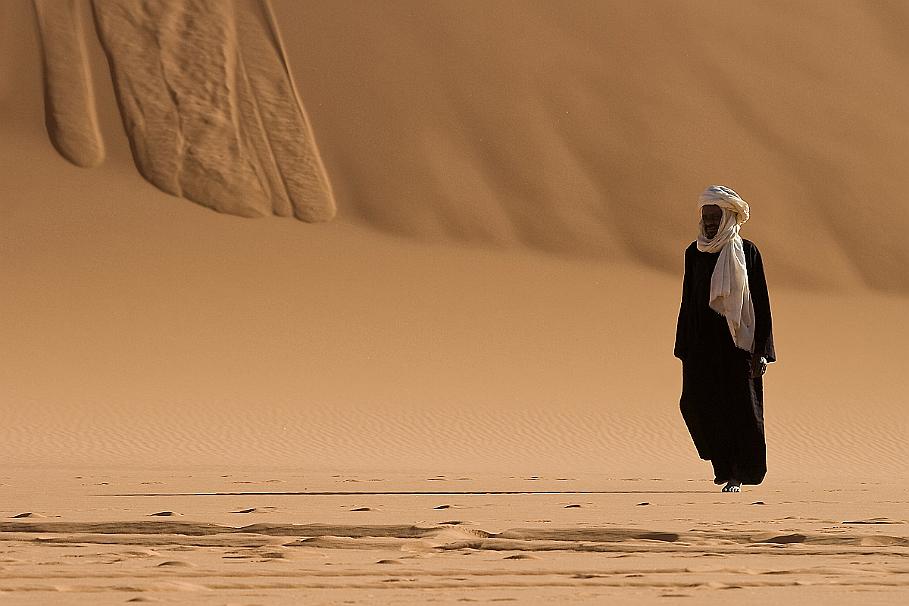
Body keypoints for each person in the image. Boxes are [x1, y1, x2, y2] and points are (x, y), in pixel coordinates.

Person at [674, 185, 776, 492]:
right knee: (695, 404)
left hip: (737, 345)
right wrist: (683, 347)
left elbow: (760, 301)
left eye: (714, 217)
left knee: (739, 409)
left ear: (728, 217)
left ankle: (739, 472)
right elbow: (687, 299)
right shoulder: (694, 253)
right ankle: (721, 463)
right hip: (701, 345)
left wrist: (762, 350)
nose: (708, 222)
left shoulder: (747, 252)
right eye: (705, 216)